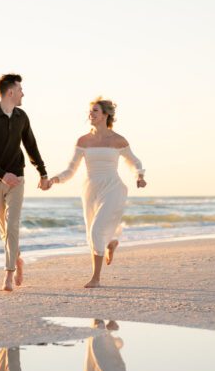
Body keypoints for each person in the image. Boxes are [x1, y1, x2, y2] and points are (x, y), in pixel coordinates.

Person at [47, 97, 146, 287]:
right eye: (90, 111)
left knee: (96, 230)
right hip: (91, 189)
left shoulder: (118, 140)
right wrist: (54, 180)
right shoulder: (83, 140)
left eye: (95, 111)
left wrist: (139, 176)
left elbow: (134, 161)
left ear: (105, 115)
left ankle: (96, 278)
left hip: (113, 187)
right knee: (93, 230)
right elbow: (71, 170)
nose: (90, 114)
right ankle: (110, 243)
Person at [0, 74, 50, 292]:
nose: (23, 93)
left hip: (17, 177)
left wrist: (42, 172)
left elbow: (31, 146)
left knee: (12, 224)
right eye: (20, 89)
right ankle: (17, 259)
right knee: (4, 229)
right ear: (10, 92)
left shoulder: (21, 117)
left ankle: (8, 275)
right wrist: (0, 174)